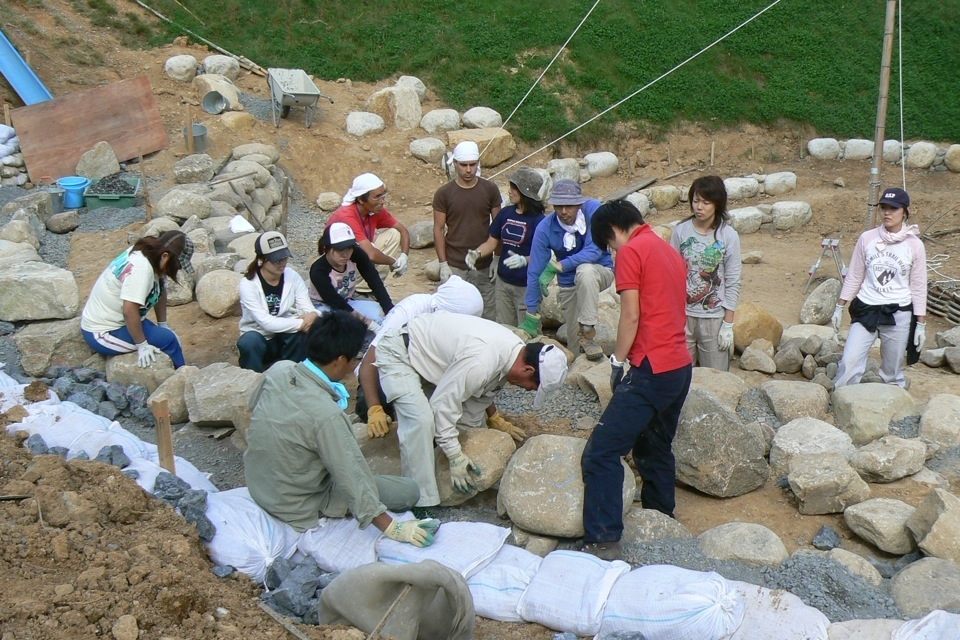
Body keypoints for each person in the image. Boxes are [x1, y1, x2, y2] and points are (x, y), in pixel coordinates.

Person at [244, 311, 438, 547]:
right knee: (408, 491)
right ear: (340, 360)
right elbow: (351, 475)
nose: (356, 363)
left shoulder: (280, 370)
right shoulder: (326, 415)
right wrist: (393, 527)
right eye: (355, 358)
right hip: (297, 503)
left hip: (259, 483)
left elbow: (254, 409)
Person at [361, 312, 569, 507]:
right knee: (420, 420)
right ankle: (419, 502)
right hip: (401, 352)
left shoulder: (512, 356)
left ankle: (430, 468)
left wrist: (469, 440)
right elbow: (442, 406)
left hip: (435, 364)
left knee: (463, 427)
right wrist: (455, 456)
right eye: (534, 386)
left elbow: (471, 410)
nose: (530, 390)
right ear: (528, 369)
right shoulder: (481, 362)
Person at [580, 199, 693, 560]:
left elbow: (631, 316)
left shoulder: (631, 252)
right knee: (654, 446)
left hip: (651, 367)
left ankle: (603, 539)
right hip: (679, 366)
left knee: (601, 452)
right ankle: (662, 523)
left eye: (608, 245)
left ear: (613, 231)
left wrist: (617, 359)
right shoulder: (668, 250)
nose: (612, 251)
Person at [355, 276, 484, 427]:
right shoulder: (410, 311)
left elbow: (476, 366)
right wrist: (374, 409)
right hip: (385, 370)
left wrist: (492, 414)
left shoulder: (455, 326)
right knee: (379, 409)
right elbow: (369, 363)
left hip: (423, 370)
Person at [833, 187, 927, 388]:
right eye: (883, 208)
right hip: (867, 307)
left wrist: (921, 323)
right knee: (849, 360)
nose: (887, 213)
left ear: (905, 211)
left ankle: (891, 410)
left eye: (893, 208)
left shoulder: (914, 245)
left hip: (898, 312)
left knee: (892, 371)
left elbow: (918, 286)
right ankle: (841, 399)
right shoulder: (867, 238)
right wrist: (840, 306)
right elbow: (855, 274)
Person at [521, 179, 614, 360]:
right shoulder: (545, 228)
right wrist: (531, 312)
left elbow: (594, 251)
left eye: (569, 206)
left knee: (584, 271)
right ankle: (575, 371)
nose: (564, 212)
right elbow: (535, 271)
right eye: (559, 206)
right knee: (573, 342)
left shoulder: (593, 210)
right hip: (568, 283)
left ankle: (587, 331)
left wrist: (559, 265)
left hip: (600, 270)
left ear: (580, 203)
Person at [81, 230, 193, 369]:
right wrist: (142, 345)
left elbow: (160, 288)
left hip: (120, 321)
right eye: (177, 265)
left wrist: (163, 324)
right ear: (165, 256)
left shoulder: (150, 255)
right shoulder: (141, 270)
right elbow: (129, 311)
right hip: (103, 331)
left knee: (165, 335)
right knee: (168, 340)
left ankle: (179, 370)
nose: (176, 270)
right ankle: (183, 376)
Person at [669, 175, 742, 371]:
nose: (699, 207)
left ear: (717, 204)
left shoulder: (728, 236)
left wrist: (728, 324)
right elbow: (670, 274)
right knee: (680, 375)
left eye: (706, 202)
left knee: (715, 376)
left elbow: (734, 280)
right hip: (683, 316)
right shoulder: (681, 231)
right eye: (695, 201)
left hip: (714, 318)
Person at [465, 166, 547, 326]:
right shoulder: (506, 213)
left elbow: (544, 255)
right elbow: (492, 241)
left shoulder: (540, 222)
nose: (509, 191)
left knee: (528, 333)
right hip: (503, 284)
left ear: (524, 192)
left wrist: (525, 260)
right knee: (504, 328)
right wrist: (477, 253)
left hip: (526, 287)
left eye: (513, 188)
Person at [433, 141, 502, 320]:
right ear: (455, 163)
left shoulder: (490, 190)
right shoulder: (444, 193)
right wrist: (443, 263)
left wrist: (497, 257)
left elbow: (498, 226)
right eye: (464, 165)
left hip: (483, 264)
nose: (469, 170)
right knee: (455, 316)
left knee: (488, 314)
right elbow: (439, 229)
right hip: (456, 264)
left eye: (473, 164)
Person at [237, 231, 319, 373]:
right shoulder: (248, 284)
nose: (282, 264)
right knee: (249, 341)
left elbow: (307, 308)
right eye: (276, 260)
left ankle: (293, 374)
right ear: (262, 259)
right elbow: (266, 322)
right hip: (260, 336)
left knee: (302, 336)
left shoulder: (292, 276)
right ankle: (254, 378)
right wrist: (302, 323)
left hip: (285, 335)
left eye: (284, 258)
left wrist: (313, 315)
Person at [326, 173, 411, 290]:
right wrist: (394, 262)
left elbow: (403, 231)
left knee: (393, 234)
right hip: (338, 266)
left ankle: (372, 287)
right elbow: (370, 254)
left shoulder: (375, 209)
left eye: (383, 195)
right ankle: (359, 289)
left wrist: (404, 256)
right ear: (361, 199)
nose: (382, 201)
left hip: (355, 258)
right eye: (377, 197)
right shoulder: (347, 216)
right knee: (367, 249)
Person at [309, 222, 394, 330]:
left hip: (348, 301)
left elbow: (374, 280)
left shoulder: (357, 254)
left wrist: (389, 310)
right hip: (323, 306)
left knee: (381, 315)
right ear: (326, 248)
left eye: (349, 248)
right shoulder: (318, 271)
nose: (345, 254)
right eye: (340, 249)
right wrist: (368, 323)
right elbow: (335, 302)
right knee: (341, 328)